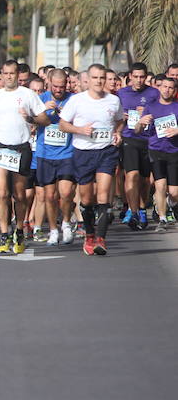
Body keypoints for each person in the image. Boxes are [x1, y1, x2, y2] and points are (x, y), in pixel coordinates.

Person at [0, 60, 50, 254]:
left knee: (19, 195)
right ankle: (4, 234)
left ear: (18, 75)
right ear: (1, 75)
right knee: (2, 193)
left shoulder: (27, 95)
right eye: (6, 73)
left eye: (12, 73)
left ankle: (19, 229)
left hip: (21, 147)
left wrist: (30, 118)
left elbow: (45, 119)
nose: (9, 77)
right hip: (1, 146)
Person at [58, 64, 125, 256]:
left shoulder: (113, 100)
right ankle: (89, 234)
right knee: (87, 199)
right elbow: (63, 125)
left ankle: (101, 239)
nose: (99, 81)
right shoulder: (77, 101)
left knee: (104, 195)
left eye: (102, 78)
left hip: (106, 151)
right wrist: (80, 130)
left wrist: (117, 132)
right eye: (95, 78)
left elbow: (120, 120)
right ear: (88, 80)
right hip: (83, 153)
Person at [34, 69, 77, 245]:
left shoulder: (73, 100)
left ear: (67, 83)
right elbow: (31, 119)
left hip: (67, 153)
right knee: (49, 196)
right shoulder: (40, 99)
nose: (59, 90)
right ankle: (53, 229)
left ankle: (66, 222)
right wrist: (43, 111)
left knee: (66, 192)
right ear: (49, 83)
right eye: (55, 86)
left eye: (62, 86)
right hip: (45, 153)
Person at [117, 62, 160, 229]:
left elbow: (162, 112)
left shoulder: (154, 93)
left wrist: (149, 113)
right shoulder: (122, 93)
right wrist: (122, 116)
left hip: (148, 140)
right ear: (130, 77)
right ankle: (134, 212)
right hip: (129, 138)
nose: (139, 80)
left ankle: (142, 209)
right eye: (135, 77)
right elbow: (115, 114)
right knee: (131, 175)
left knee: (144, 180)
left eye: (142, 77)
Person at [134, 77, 177, 231]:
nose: (167, 90)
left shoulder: (176, 107)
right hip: (156, 150)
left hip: (174, 152)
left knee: (173, 192)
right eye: (164, 86)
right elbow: (137, 130)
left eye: (170, 87)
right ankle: (163, 219)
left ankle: (171, 205)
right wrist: (141, 122)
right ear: (160, 88)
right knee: (160, 186)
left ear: (174, 90)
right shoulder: (151, 107)